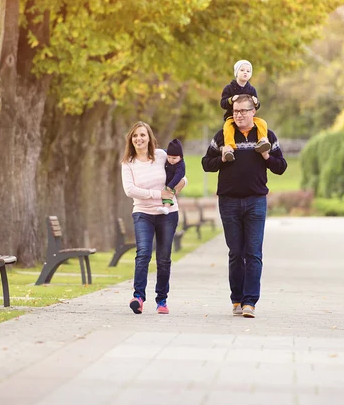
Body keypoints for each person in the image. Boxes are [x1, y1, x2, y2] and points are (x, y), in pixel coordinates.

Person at [202, 94, 287, 318]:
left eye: (243, 111)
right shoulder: (223, 136)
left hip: (256, 201)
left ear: (253, 112)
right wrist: (221, 157)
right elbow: (205, 164)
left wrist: (267, 155)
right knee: (236, 253)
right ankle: (237, 299)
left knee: (254, 253)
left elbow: (281, 167)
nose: (238, 115)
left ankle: (250, 302)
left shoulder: (266, 135)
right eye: (235, 111)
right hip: (229, 201)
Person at [121, 122, 186, 315]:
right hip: (143, 213)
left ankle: (162, 299)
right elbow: (130, 190)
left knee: (164, 258)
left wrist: (174, 190)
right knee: (143, 254)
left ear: (149, 137)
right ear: (130, 140)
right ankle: (138, 297)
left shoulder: (161, 155)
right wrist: (158, 194)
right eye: (135, 136)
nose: (139, 139)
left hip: (168, 214)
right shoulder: (127, 163)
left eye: (142, 135)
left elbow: (182, 174)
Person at [221, 60, 270, 162]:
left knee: (262, 123)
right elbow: (223, 103)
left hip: (248, 118)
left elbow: (255, 107)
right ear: (236, 73)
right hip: (232, 116)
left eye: (248, 71)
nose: (245, 72)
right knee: (227, 127)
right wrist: (231, 100)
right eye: (242, 70)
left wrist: (256, 103)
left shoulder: (252, 89)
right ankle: (229, 148)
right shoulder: (229, 88)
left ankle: (262, 141)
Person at [157, 138, 186, 215]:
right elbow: (163, 151)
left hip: (174, 183)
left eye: (174, 158)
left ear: (181, 157)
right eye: (169, 157)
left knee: (168, 194)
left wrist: (171, 185)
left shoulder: (180, 166)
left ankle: (166, 208)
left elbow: (178, 176)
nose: (171, 160)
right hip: (167, 181)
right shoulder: (168, 156)